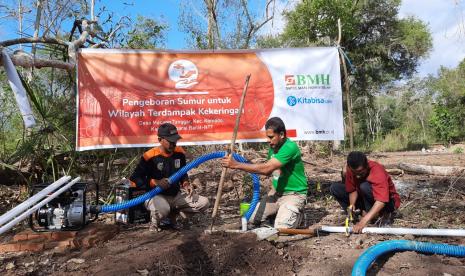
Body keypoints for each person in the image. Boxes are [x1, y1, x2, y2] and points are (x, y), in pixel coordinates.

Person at [221, 117, 308, 229]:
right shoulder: (274, 146)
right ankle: (278, 213)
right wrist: (273, 190)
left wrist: (236, 164)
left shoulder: (290, 147)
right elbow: (271, 172)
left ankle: (298, 216)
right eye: (267, 136)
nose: (268, 140)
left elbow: (266, 169)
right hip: (276, 194)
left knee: (282, 228)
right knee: (252, 219)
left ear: (281, 134)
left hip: (294, 194)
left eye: (271, 137)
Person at [129, 123, 209, 232]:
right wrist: (155, 182)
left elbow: (182, 173)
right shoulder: (149, 156)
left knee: (204, 203)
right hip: (155, 195)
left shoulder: (179, 153)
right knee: (162, 209)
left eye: (175, 140)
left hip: (175, 195)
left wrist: (186, 184)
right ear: (160, 140)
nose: (173, 143)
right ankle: (155, 223)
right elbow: (135, 178)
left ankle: (175, 216)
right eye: (170, 141)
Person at [330, 151, 401, 233]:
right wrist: (352, 204)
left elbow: (381, 201)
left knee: (364, 186)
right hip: (365, 197)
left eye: (360, 172)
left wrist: (363, 222)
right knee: (335, 188)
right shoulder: (350, 169)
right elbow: (352, 190)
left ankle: (378, 214)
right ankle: (360, 214)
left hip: (388, 202)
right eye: (354, 172)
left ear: (367, 165)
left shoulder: (377, 171)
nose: (357, 176)